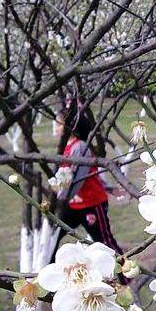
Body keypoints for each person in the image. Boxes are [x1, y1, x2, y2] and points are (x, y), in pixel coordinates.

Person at [51, 100, 124, 261]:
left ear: (71, 126)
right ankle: (44, 275)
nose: (55, 128)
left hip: (91, 203)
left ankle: (125, 277)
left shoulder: (80, 147)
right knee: (51, 237)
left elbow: (79, 179)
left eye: (58, 124)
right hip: (72, 205)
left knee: (105, 242)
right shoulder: (65, 147)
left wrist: (61, 197)